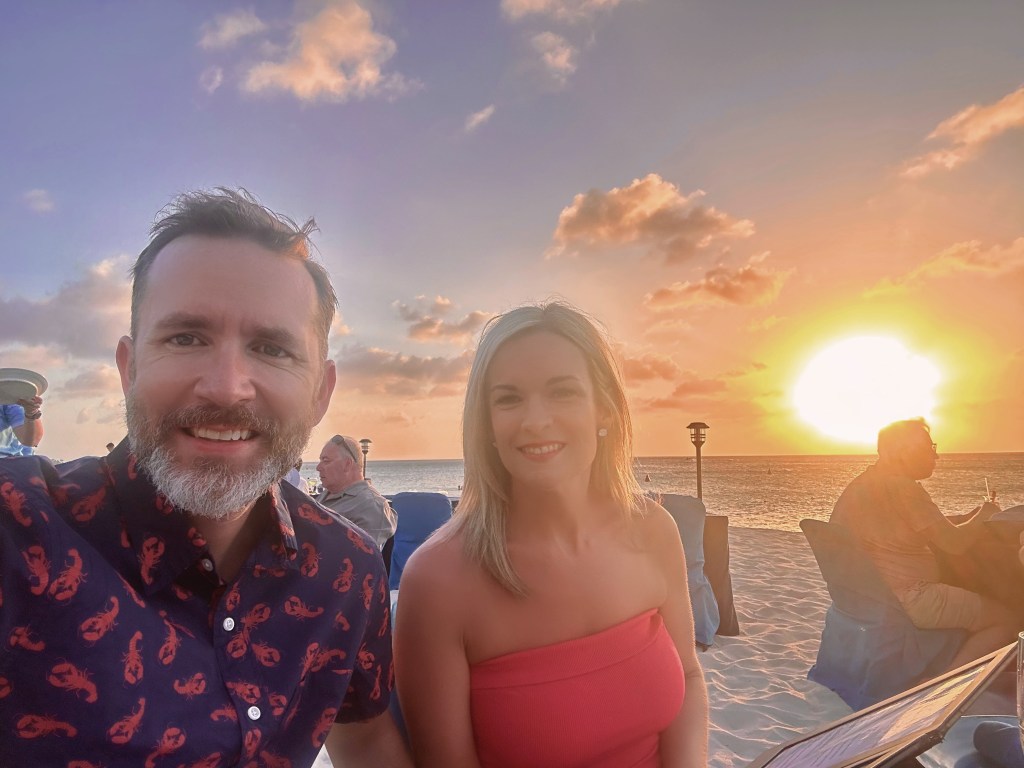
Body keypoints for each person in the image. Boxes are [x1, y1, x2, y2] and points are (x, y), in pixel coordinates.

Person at [0, 188, 410, 767]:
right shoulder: (19, 529)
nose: (225, 386)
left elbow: (366, 740)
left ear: (321, 393)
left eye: (271, 348)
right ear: (129, 367)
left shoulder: (347, 573)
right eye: (186, 337)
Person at [394, 302, 709, 767]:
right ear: (488, 426)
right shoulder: (440, 581)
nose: (535, 420)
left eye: (562, 393)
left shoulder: (653, 530)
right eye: (508, 399)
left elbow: (689, 678)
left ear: (603, 409)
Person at [830, 418, 1017, 670]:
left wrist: (966, 518)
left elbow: (908, 526)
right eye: (928, 448)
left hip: (870, 595)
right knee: (1008, 619)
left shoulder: (864, 484)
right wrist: (986, 512)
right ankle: (947, 685)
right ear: (901, 453)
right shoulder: (903, 488)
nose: (935, 456)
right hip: (912, 597)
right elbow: (954, 544)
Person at [316, 435, 396, 548]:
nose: (318, 467)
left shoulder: (371, 507)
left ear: (347, 464)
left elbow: (361, 559)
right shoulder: (327, 494)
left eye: (326, 461)